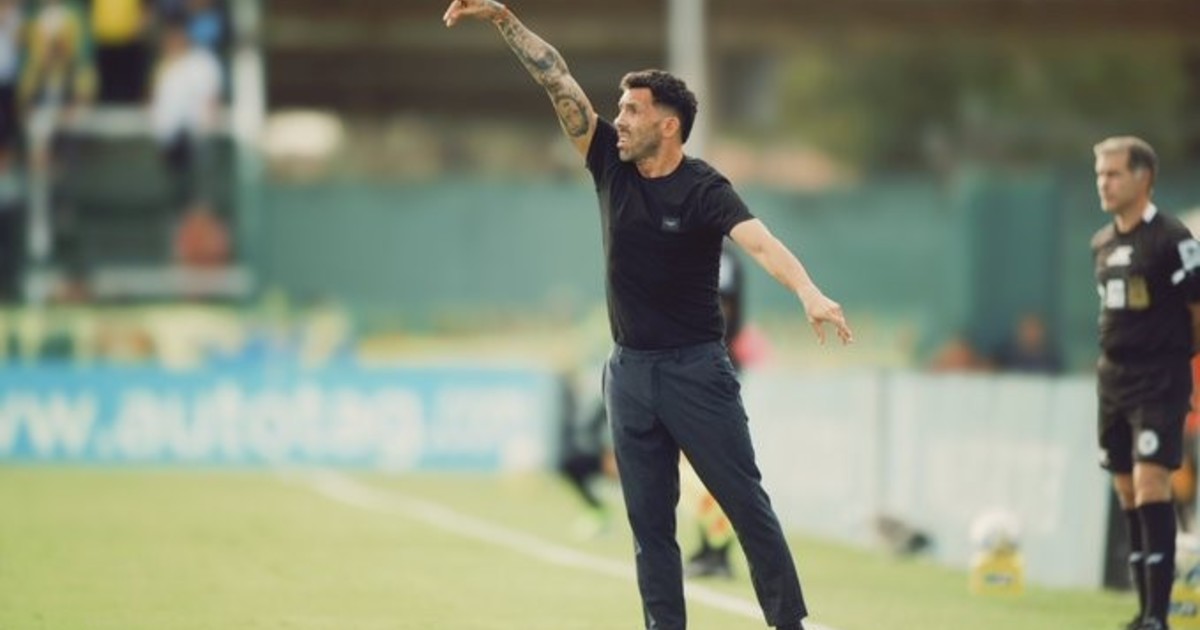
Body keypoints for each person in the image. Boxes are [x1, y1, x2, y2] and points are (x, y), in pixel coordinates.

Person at [443, 3, 854, 629]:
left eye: (633, 110)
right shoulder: (609, 161)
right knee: (650, 526)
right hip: (629, 375)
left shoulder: (704, 188)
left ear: (669, 125)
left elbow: (762, 243)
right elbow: (557, 80)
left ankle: (789, 623)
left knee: (745, 506)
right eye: (621, 108)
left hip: (697, 373)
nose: (620, 119)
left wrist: (809, 292)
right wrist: (504, 19)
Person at [1091, 136, 1200, 630]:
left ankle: (1159, 616)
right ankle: (1142, 612)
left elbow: (1197, 311)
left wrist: (1175, 359)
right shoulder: (1102, 243)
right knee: (1126, 489)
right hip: (1113, 379)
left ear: (1144, 177)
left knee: (1151, 481)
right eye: (1100, 174)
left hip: (1159, 378)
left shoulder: (1172, 240)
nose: (1104, 183)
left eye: (1114, 173)